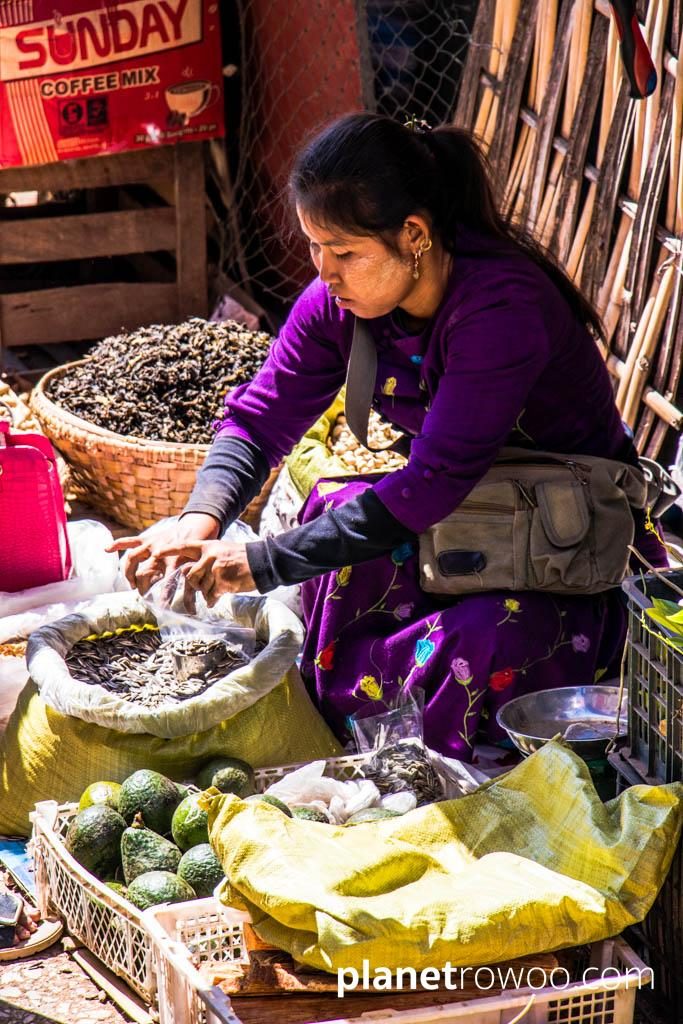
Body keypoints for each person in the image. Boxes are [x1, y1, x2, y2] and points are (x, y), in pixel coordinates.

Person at [111, 113, 665, 762]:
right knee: (330, 513)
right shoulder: (339, 306)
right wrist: (197, 521)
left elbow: (430, 484)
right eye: (314, 247)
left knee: (484, 638)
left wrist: (258, 562)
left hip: (564, 547)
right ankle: (361, 734)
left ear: (414, 235)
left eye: (343, 252)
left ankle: (441, 756)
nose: (325, 272)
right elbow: (257, 420)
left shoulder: (500, 309)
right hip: (466, 521)